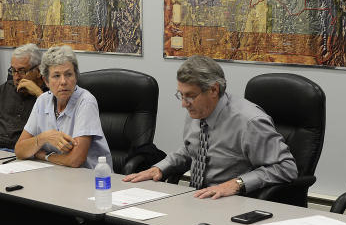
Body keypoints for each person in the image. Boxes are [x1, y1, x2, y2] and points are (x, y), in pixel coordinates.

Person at [122, 55, 297, 198]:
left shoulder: (250, 122)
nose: (184, 104)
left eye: (189, 96)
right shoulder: (199, 111)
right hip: (197, 198)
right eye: (180, 95)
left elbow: (286, 167)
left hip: (231, 202)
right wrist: (160, 168)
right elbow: (191, 149)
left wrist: (237, 183)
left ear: (213, 90)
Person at [14, 45, 111, 168]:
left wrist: (45, 156)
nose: (63, 81)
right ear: (46, 81)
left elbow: (76, 160)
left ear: (76, 77)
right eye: (56, 76)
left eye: (68, 74)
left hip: (92, 178)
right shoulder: (42, 101)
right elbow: (19, 151)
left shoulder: (86, 102)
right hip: (55, 174)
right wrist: (44, 137)